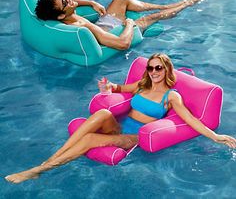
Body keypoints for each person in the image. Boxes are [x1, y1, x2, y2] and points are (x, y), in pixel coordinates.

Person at [5, 53, 236, 184]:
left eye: (158, 68)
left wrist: (216, 137)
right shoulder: (143, 85)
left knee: (87, 141)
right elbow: (119, 87)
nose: (153, 72)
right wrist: (108, 87)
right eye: (150, 68)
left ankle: (40, 170)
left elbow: (191, 119)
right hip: (119, 127)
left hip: (134, 137)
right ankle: (47, 162)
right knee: (104, 113)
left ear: (167, 70)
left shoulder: (171, 96)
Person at [35, 0, 204, 50]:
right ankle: (188, 2)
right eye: (65, 2)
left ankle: (165, 5)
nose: (70, 0)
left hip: (104, 24)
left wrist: (91, 2)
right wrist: (130, 24)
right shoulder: (83, 26)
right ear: (61, 15)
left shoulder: (65, 15)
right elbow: (122, 44)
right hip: (115, 32)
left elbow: (72, 3)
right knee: (153, 17)